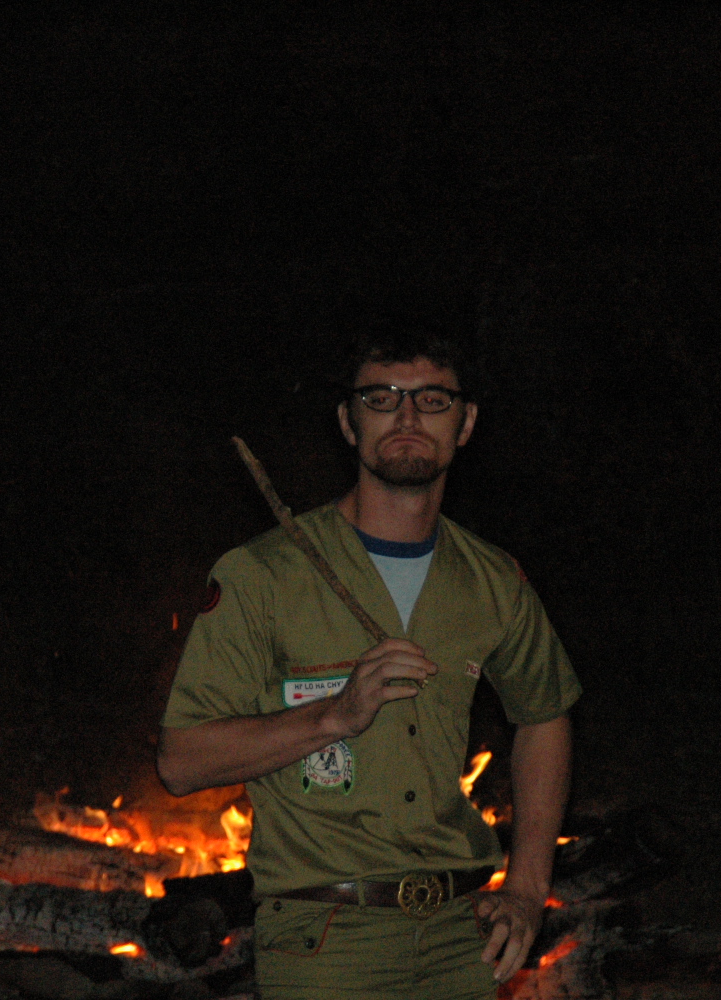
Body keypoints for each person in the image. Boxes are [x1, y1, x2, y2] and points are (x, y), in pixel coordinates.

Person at [157, 323, 580, 999]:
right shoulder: (262, 575)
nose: (407, 418)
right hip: (327, 941)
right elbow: (180, 763)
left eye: (432, 400)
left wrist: (528, 889)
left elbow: (546, 713)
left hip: (461, 937)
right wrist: (334, 716)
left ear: (466, 423)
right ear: (348, 423)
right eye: (381, 399)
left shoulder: (493, 581)